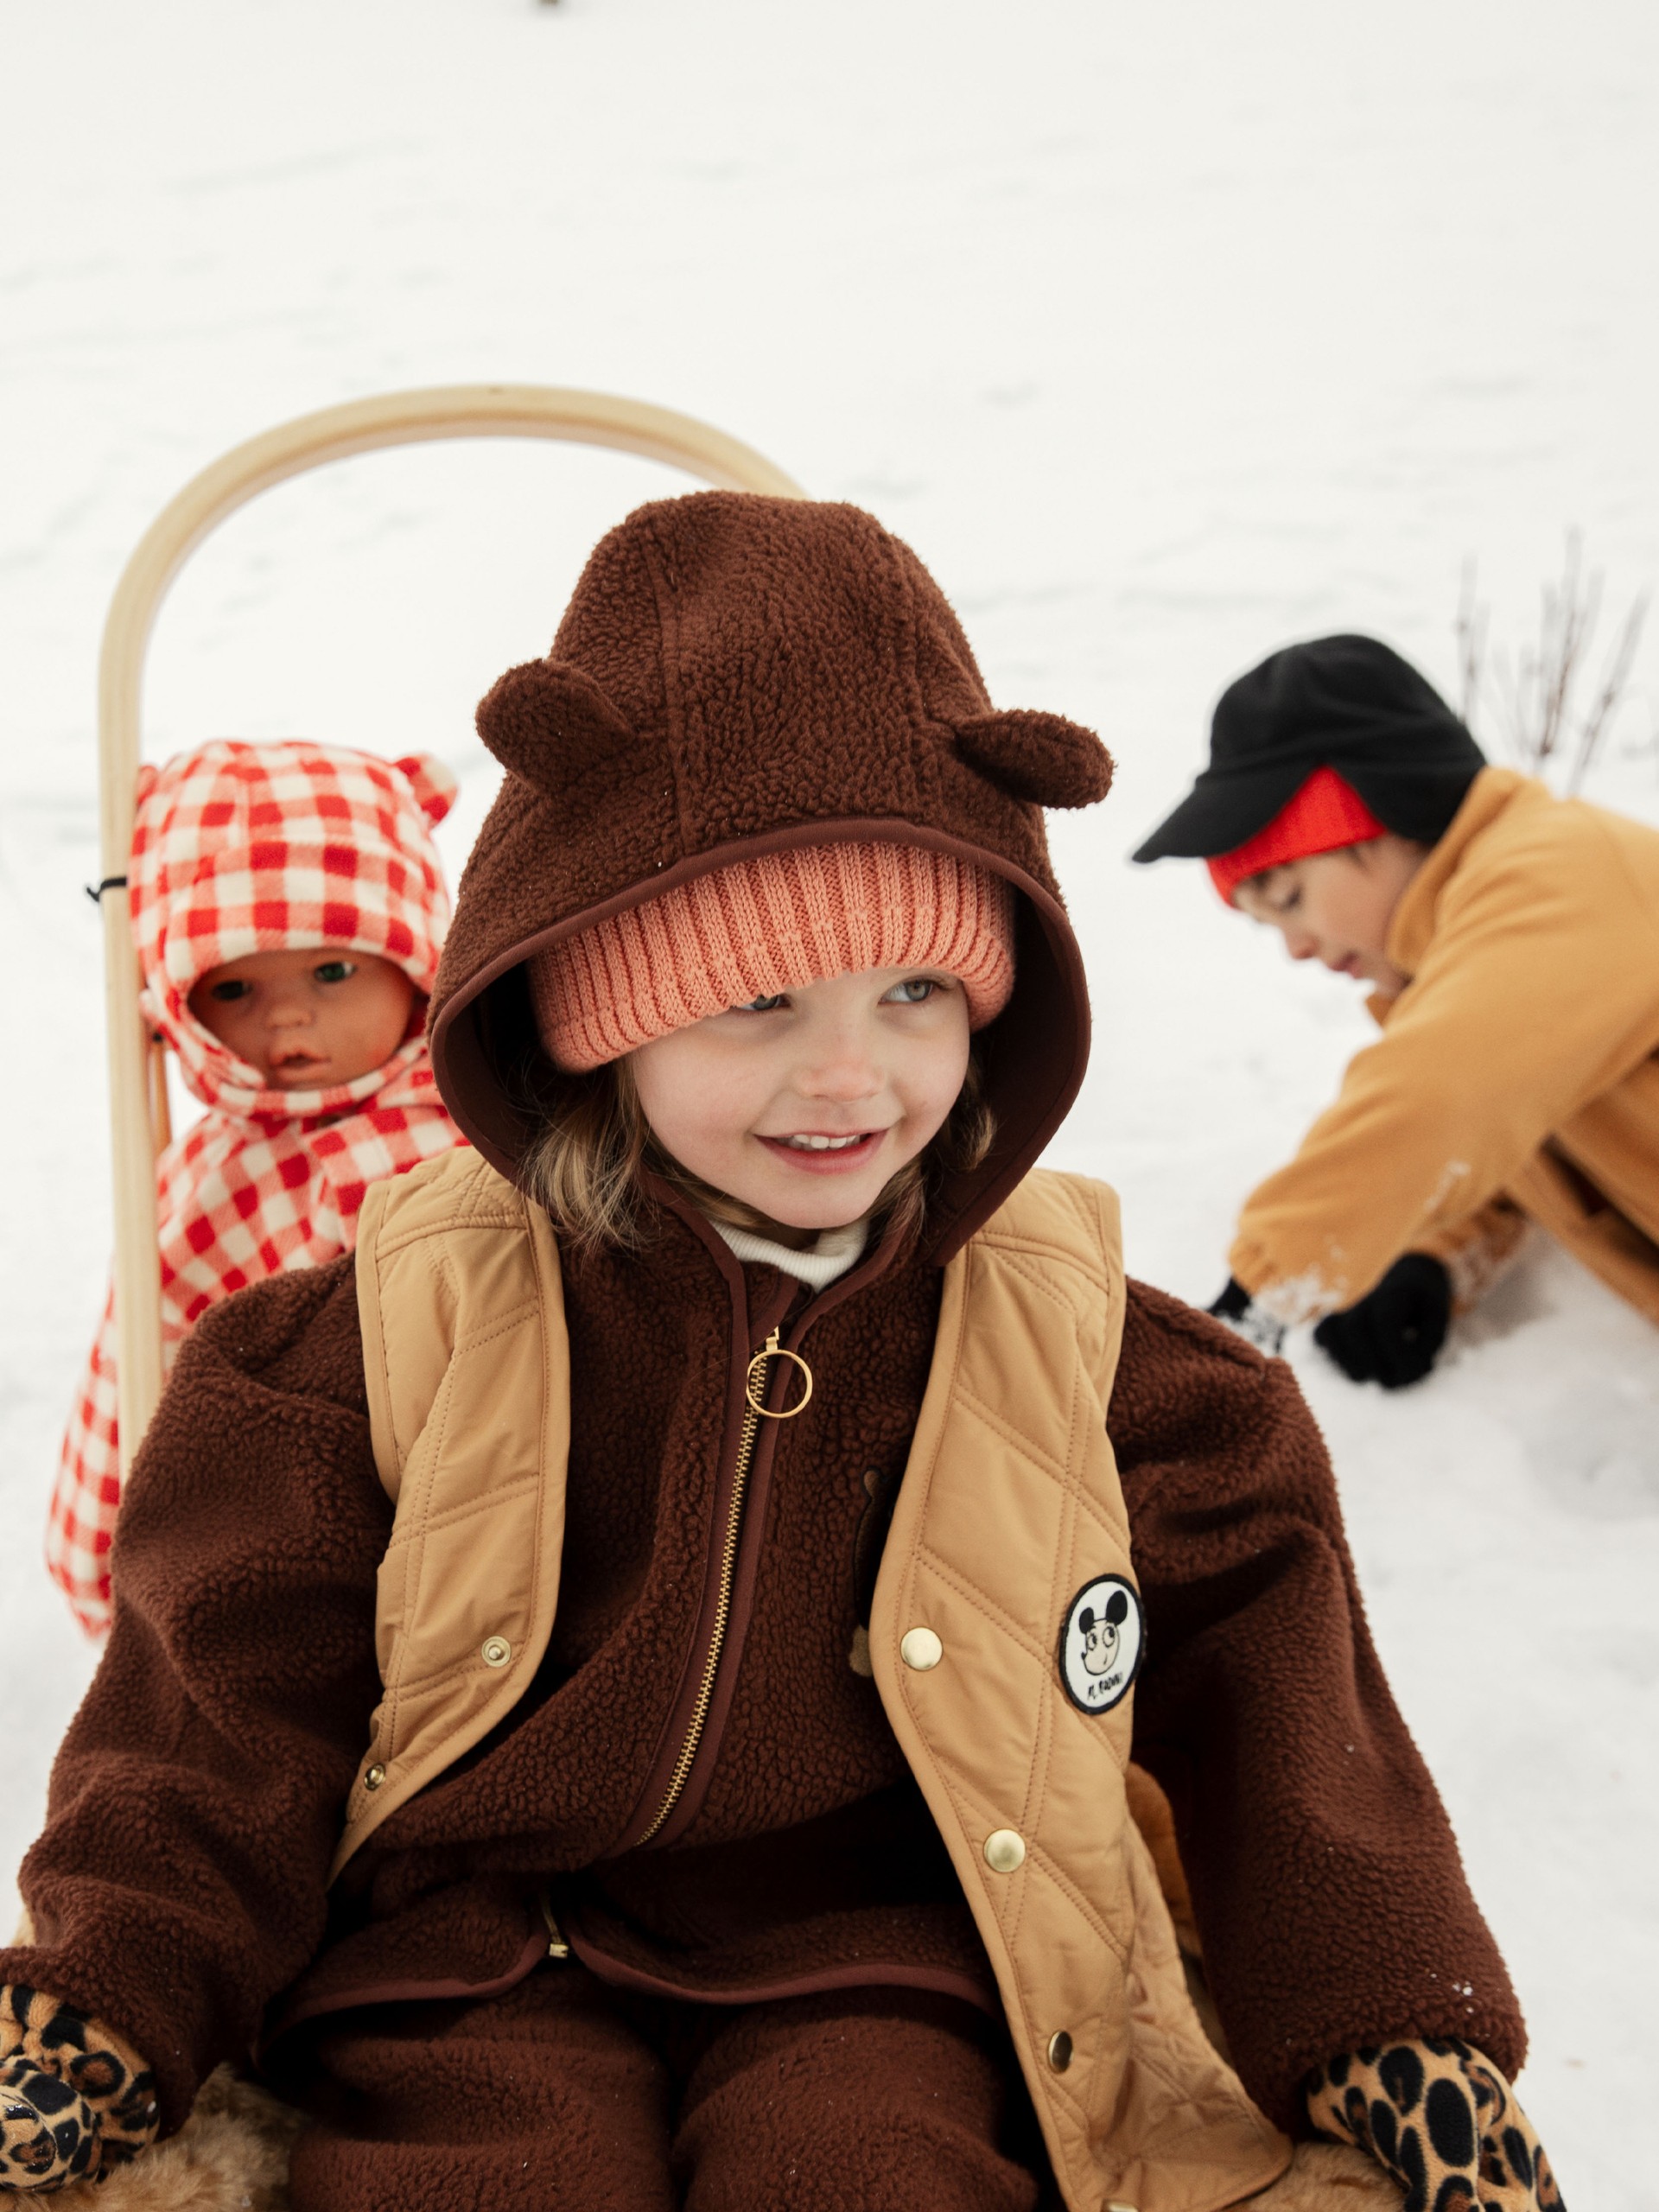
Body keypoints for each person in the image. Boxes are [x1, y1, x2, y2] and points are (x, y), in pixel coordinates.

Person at [0, 504, 1561, 2210]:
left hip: (892, 1952)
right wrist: (107, 1994)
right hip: (475, 1952)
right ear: (591, 1018)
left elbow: (1284, 1718)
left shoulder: (1093, 1352)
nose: (850, 1076)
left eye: (916, 993)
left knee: (870, 2172)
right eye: (759, 1005)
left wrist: (1388, 2019)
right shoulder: (397, 1324)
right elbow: (224, 1713)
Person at [1135, 632, 1659, 1389]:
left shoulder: (1564, 870)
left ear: (1385, 813)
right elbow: (1513, 1131)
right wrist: (1434, 1257)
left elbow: (1445, 1095)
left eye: (1291, 899)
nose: (1295, 948)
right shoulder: (1485, 970)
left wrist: (1254, 1301)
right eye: (1267, 924)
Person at [48, 739, 467, 1636]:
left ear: (419, 961)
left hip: (470, 1509)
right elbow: (140, 1365)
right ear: (178, 1006)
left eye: (332, 970)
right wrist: (104, 1557)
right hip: (277, 1541)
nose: (287, 1014)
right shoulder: (207, 1182)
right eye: (234, 988)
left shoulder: (472, 1121)